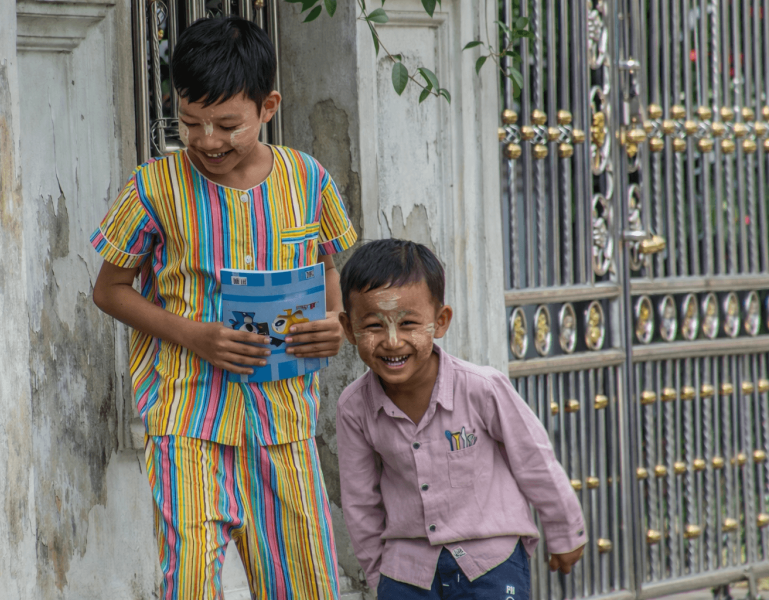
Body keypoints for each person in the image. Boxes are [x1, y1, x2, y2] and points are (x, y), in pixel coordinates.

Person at [90, 16, 356, 600]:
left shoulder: (307, 179)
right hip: (188, 423)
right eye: (190, 123)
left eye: (227, 124)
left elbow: (333, 266)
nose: (207, 140)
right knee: (187, 585)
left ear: (268, 107)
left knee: (304, 586)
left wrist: (336, 322)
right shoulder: (153, 187)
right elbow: (108, 290)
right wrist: (192, 335)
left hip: (285, 426)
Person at [335, 239, 586, 600]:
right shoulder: (354, 407)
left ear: (440, 322)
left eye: (408, 323)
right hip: (406, 570)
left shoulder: (481, 388)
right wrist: (380, 576)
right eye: (374, 326)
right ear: (348, 328)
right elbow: (360, 501)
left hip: (491, 562)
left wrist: (565, 532)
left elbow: (534, 460)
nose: (392, 341)